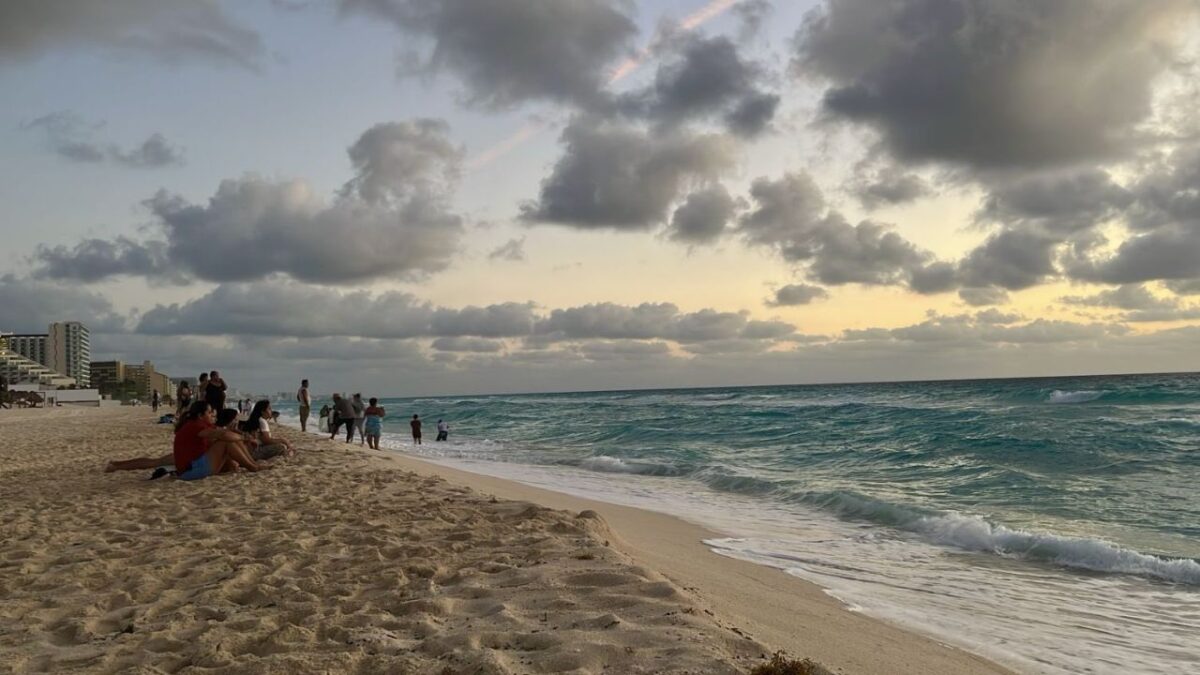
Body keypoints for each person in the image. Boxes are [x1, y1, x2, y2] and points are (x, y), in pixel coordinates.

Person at [174, 400, 268, 481]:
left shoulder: (203, 424)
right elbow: (224, 435)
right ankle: (253, 467)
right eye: (209, 413)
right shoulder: (195, 425)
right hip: (190, 471)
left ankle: (253, 463)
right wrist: (244, 437)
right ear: (200, 415)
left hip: (195, 466)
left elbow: (225, 432)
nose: (212, 415)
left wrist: (242, 437)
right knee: (225, 442)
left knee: (233, 441)